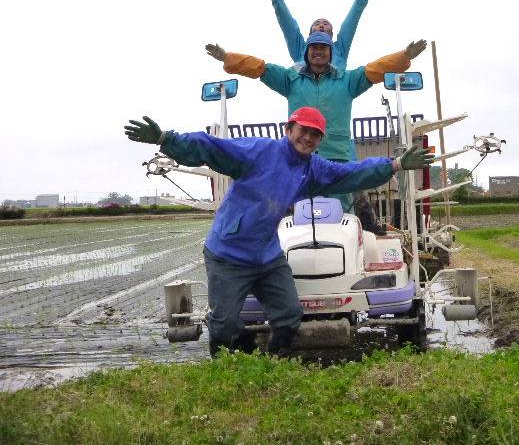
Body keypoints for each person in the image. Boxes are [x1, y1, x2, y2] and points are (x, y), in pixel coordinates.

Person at [124, 107, 434, 358]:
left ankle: (274, 363)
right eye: (304, 130)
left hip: (267, 257)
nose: (308, 138)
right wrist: (167, 138)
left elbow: (350, 173)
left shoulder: (312, 168)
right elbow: (211, 147)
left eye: (315, 134)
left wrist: (393, 165)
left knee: (288, 317)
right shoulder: (259, 151)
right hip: (228, 254)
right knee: (225, 324)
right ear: (289, 129)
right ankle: (228, 373)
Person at [205, 32, 426, 214]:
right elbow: (260, 68)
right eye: (314, 47)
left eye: (323, 47)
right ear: (306, 52)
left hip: (336, 160)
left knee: (340, 217)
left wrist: (404, 56)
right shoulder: (290, 80)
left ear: (331, 53)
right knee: (298, 218)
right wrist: (228, 58)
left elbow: (377, 69)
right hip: (299, 161)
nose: (318, 51)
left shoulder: (348, 80)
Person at [261, 0, 377, 69]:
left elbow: (350, 23)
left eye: (326, 24)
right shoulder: (301, 49)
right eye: (317, 24)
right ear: (310, 33)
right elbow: (288, 26)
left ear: (332, 34)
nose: (321, 25)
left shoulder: (339, 49)